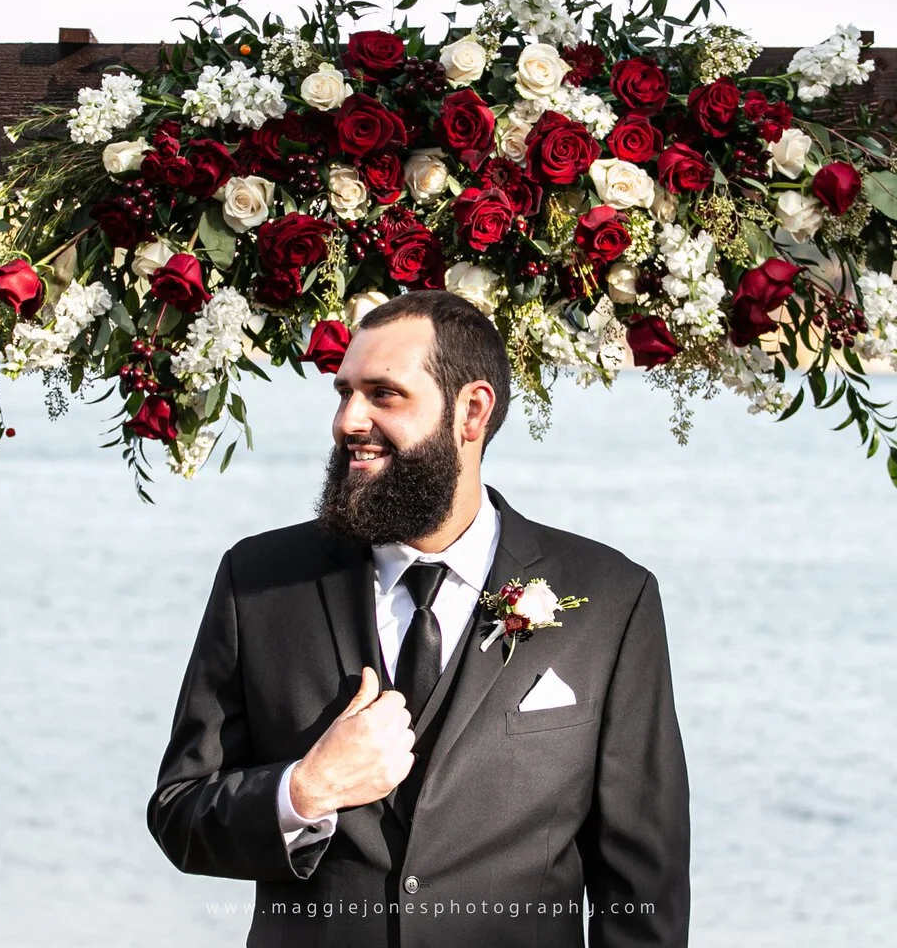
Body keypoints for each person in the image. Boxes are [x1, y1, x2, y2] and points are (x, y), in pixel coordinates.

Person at [146, 289, 690, 947]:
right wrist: (304, 791)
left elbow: (643, 886)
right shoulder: (259, 581)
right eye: (344, 392)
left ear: (472, 411)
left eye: (383, 394)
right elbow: (179, 814)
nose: (348, 420)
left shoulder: (609, 600)